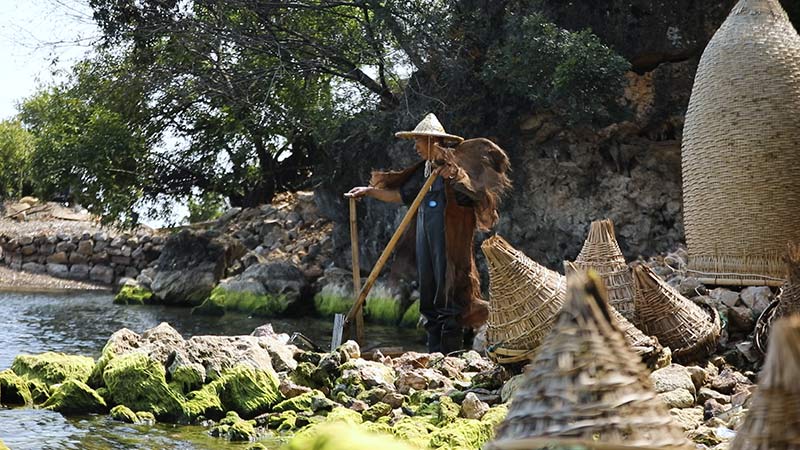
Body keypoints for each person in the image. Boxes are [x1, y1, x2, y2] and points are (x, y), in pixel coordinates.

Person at [345, 113, 511, 354]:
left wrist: (455, 176)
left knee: (451, 296)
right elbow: (401, 195)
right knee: (429, 295)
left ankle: (450, 356)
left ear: (433, 141)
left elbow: (475, 195)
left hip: (449, 244)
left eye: (418, 141)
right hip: (427, 241)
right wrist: (369, 191)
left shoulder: (455, 168)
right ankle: (434, 354)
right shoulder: (424, 170)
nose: (415, 147)